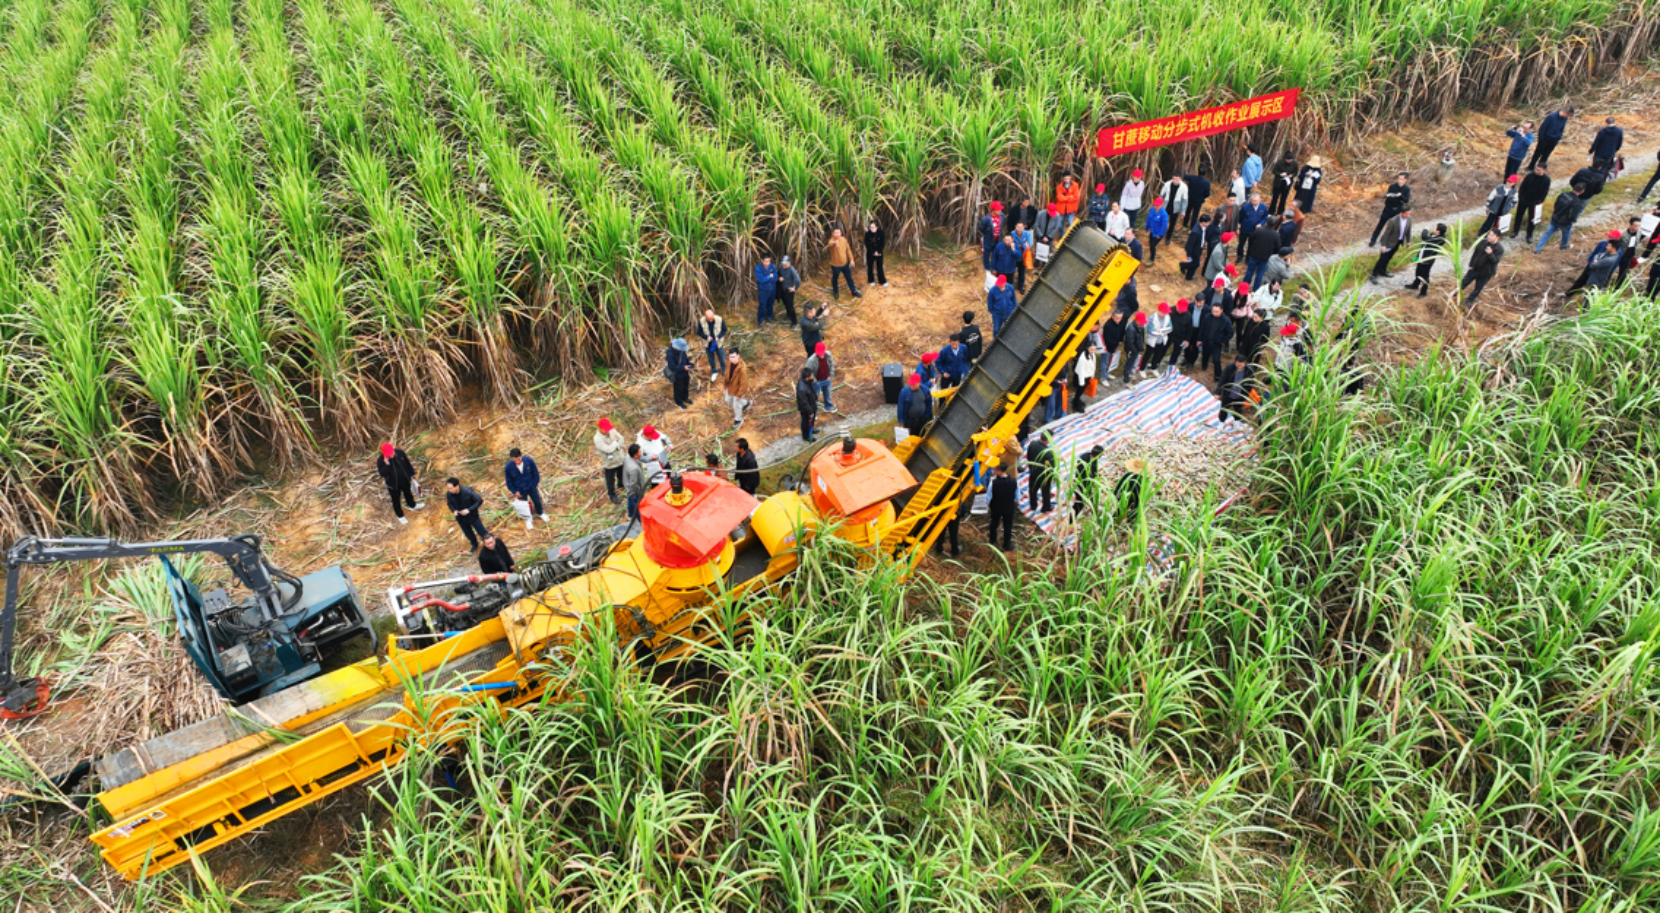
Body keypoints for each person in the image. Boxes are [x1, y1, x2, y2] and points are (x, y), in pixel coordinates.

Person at [376, 442, 424, 524]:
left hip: (405, 480)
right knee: (396, 500)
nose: (390, 455)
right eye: (388, 454)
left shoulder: (400, 453)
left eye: (391, 453)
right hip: (393, 485)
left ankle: (412, 505)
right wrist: (387, 464)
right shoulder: (381, 460)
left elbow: (407, 464)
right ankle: (400, 515)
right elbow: (382, 474)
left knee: (408, 493)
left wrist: (412, 474)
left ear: (393, 449)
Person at [504, 448, 549, 529]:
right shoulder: (509, 467)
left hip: (531, 486)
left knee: (537, 501)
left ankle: (540, 513)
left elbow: (535, 473)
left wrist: (534, 484)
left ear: (521, 455)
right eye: (515, 459)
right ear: (511, 458)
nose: (517, 461)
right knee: (524, 506)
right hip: (520, 490)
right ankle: (528, 519)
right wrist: (514, 491)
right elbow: (509, 481)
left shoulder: (528, 461)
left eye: (518, 459)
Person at [1567, 230, 1624, 296]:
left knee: (1595, 288)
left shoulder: (1618, 252)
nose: (1608, 239)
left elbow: (1614, 265)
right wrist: (1590, 262)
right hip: (1592, 265)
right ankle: (1569, 293)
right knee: (1581, 280)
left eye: (1611, 238)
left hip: (1601, 272)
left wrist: (1608, 273)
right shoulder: (1602, 243)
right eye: (1609, 237)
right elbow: (1594, 253)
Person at [1534, 184, 1586, 252]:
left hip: (1555, 218)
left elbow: (1556, 204)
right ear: (1582, 191)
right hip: (1565, 222)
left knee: (1547, 233)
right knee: (1566, 233)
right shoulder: (1577, 202)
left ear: (1574, 187)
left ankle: (1537, 249)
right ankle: (1563, 246)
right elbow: (1573, 215)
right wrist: (1572, 220)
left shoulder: (1564, 194)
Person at [445, 477, 489, 552]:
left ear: (457, 486)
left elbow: (479, 501)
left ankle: (488, 543)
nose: (450, 490)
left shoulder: (467, 492)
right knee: (468, 533)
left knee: (481, 531)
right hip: (460, 518)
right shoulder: (449, 494)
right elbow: (449, 504)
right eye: (448, 489)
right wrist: (454, 510)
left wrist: (469, 509)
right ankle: (474, 544)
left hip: (472, 516)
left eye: (451, 488)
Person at [1460, 230, 1505, 304]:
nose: (1489, 237)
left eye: (1492, 235)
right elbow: (1475, 254)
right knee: (1464, 282)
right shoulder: (1483, 242)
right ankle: (1455, 293)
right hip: (1475, 269)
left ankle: (1470, 300)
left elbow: (1496, 261)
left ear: (1497, 237)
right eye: (1489, 235)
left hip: (1486, 273)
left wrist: (1490, 254)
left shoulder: (1500, 249)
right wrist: (1471, 265)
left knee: (1478, 288)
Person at [1406, 224, 1449, 298]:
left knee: (1425, 276)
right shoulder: (1435, 235)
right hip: (1421, 257)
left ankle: (1423, 293)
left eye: (1435, 228)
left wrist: (1425, 230)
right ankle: (1415, 285)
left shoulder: (1440, 239)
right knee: (1418, 272)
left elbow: (1425, 237)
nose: (1433, 229)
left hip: (1427, 260)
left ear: (1438, 231)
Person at [1369, 173, 1412, 247]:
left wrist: (1400, 196)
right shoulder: (1392, 186)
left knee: (1391, 226)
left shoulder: (1407, 189)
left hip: (1397, 210)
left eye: (1401, 179)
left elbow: (1406, 200)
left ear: (1406, 180)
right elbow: (1389, 197)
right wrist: (1397, 197)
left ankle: (1383, 239)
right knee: (1380, 224)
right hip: (1388, 208)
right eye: (1399, 178)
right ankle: (1373, 240)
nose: (1399, 180)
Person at [1371, 207, 1413, 282]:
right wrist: (1384, 245)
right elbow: (1387, 233)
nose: (1407, 215)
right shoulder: (1393, 221)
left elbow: (1408, 230)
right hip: (1389, 242)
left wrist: (1408, 241)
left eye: (1409, 214)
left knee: (1389, 257)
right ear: (1401, 213)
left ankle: (1383, 270)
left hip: (1398, 242)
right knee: (1383, 259)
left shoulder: (1409, 219)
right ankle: (1374, 274)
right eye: (1406, 214)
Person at [1513, 164, 1552, 244]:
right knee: (1519, 215)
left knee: (1532, 219)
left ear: (1544, 170)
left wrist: (1539, 202)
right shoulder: (1530, 176)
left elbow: (1545, 192)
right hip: (1524, 199)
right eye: (1536, 169)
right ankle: (1515, 231)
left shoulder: (1546, 180)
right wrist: (1521, 197)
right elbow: (1522, 186)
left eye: (1539, 170)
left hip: (1534, 202)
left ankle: (1529, 235)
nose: (1536, 171)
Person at [985, 464, 1017, 552]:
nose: (994, 472)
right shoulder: (1014, 482)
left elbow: (988, 496)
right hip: (1009, 507)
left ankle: (992, 540)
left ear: (999, 471)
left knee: (994, 523)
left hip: (996, 507)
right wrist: (1015, 504)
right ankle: (1006, 544)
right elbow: (1017, 496)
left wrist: (988, 504)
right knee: (1008, 526)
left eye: (995, 470)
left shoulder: (993, 483)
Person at [593, 418, 626, 504]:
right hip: (610, 463)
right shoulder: (597, 439)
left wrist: (614, 445)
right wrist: (615, 442)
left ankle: (621, 484)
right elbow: (608, 450)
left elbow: (621, 438)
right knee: (610, 480)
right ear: (600, 428)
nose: (608, 431)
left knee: (621, 474)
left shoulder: (612, 430)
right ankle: (612, 495)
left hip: (619, 458)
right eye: (605, 429)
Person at [1217, 354, 1255, 425]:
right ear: (1235, 362)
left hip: (1240, 394)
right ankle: (1221, 422)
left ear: (1245, 363)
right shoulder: (1229, 367)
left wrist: (1246, 393)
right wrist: (1217, 392)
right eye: (1237, 365)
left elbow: (1251, 382)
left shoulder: (1249, 370)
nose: (1239, 367)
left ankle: (1236, 422)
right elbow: (1222, 380)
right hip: (1228, 393)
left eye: (1241, 365)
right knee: (1224, 409)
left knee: (1238, 409)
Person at [1199, 302, 1232, 381]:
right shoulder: (1207, 317)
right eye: (1213, 311)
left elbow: (1230, 332)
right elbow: (1202, 328)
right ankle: (1204, 366)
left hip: (1217, 344)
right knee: (1205, 355)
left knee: (1216, 360)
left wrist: (1224, 341)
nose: (1214, 313)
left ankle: (1218, 376)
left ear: (1221, 310)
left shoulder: (1226, 320)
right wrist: (1199, 339)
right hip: (1206, 341)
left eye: (1216, 311)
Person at [1243, 216, 1279, 288]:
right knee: (1260, 275)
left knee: (1249, 271)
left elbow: (1251, 239)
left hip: (1254, 254)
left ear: (1267, 222)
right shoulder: (1276, 235)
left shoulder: (1258, 230)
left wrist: (1252, 249)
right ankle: (1256, 289)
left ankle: (1244, 286)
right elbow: (1277, 247)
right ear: (1275, 225)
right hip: (1265, 257)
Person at [1025, 433, 1055, 513]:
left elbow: (1028, 457)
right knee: (1045, 491)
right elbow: (1051, 467)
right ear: (1048, 440)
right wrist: (1053, 476)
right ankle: (1046, 507)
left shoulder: (1033, 444)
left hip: (1033, 471)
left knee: (1032, 489)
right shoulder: (1048, 453)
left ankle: (1033, 505)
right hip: (1044, 475)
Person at [897, 371, 931, 438]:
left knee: (921, 436)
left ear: (919, 383)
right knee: (910, 437)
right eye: (910, 384)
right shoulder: (904, 392)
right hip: (910, 421)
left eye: (913, 384)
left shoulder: (925, 390)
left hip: (922, 420)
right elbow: (901, 406)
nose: (911, 386)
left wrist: (927, 415)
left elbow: (929, 403)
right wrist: (901, 420)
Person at [1141, 302, 1172, 377]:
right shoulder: (1152, 318)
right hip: (1152, 341)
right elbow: (1151, 332)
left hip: (1161, 341)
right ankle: (1142, 369)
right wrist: (1163, 332)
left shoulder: (1167, 317)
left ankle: (1153, 368)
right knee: (1147, 355)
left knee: (1157, 355)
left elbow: (1170, 328)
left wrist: (1160, 330)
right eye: (1164, 312)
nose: (1165, 314)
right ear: (1159, 311)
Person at [1072, 446, 1103, 518]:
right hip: (1083, 486)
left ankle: (1094, 510)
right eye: (1101, 455)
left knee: (1092, 497)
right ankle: (1071, 519)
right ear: (1098, 456)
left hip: (1081, 483)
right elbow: (1088, 476)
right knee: (1079, 503)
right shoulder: (1088, 463)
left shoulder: (1085, 456)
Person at [827, 228, 859, 298]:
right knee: (835, 278)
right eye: (836, 233)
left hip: (845, 264)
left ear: (841, 233)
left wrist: (851, 260)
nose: (837, 234)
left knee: (849, 278)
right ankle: (835, 291)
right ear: (832, 233)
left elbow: (848, 250)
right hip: (835, 266)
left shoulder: (843, 240)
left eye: (839, 233)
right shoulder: (831, 240)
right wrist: (835, 243)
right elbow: (830, 244)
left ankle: (853, 291)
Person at [804, 341, 836, 412]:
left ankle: (828, 407)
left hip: (826, 379)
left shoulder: (828, 355)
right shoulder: (811, 360)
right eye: (819, 353)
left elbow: (831, 365)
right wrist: (815, 381)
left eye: (822, 352)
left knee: (827, 395)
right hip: (817, 381)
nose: (821, 354)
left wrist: (830, 375)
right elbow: (808, 372)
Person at [696, 308, 727, 381]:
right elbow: (699, 332)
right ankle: (714, 371)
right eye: (709, 319)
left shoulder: (719, 319)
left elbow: (724, 330)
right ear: (705, 317)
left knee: (722, 358)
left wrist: (718, 337)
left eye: (711, 319)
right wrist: (706, 337)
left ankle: (725, 372)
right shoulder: (701, 321)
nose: (710, 320)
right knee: (711, 359)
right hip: (708, 344)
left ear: (714, 315)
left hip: (718, 343)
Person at [724, 350, 752, 429]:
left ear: (738, 356)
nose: (732, 359)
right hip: (731, 387)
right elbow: (727, 374)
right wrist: (725, 384)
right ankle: (746, 403)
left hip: (738, 390)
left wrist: (739, 395)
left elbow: (744, 384)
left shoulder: (742, 369)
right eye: (730, 357)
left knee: (736, 406)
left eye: (733, 357)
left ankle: (738, 420)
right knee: (727, 399)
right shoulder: (729, 363)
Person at [1237, 192, 1268, 260]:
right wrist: (1241, 224)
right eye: (1253, 201)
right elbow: (1240, 217)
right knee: (1241, 244)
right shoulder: (1245, 207)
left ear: (1260, 200)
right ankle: (1239, 256)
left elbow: (1265, 217)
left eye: (1256, 201)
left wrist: (1261, 223)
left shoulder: (1263, 207)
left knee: (1251, 245)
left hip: (1255, 231)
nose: (1254, 202)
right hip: (1245, 229)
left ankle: (1248, 258)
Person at [664, 337, 693, 409]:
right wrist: (683, 367)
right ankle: (679, 402)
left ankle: (685, 398)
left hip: (685, 373)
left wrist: (689, 361)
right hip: (677, 375)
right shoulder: (670, 354)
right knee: (678, 389)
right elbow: (672, 366)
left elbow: (685, 357)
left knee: (685, 386)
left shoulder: (681, 350)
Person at [622, 444, 647, 522]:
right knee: (638, 505)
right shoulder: (634, 468)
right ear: (635, 455)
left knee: (630, 500)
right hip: (635, 490)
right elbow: (634, 483)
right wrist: (634, 493)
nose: (641, 452)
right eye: (639, 452)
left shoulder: (628, 457)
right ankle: (641, 521)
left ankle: (630, 515)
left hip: (628, 485)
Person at [1121, 311, 1147, 383]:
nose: (1142, 323)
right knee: (1129, 364)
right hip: (1131, 350)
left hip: (1136, 348)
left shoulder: (1140, 326)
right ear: (1136, 320)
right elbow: (1129, 342)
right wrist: (1134, 351)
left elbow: (1141, 337)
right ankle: (1126, 379)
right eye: (1141, 322)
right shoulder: (1131, 329)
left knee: (1132, 362)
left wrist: (1141, 345)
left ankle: (1129, 374)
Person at [795, 367, 818, 443]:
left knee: (812, 420)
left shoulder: (806, 381)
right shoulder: (802, 389)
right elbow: (804, 402)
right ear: (807, 377)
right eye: (811, 374)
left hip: (811, 405)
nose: (812, 375)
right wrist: (810, 412)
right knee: (806, 422)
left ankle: (811, 430)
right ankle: (806, 436)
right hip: (806, 409)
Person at [1181, 215, 1208, 281]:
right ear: (1203, 222)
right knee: (1196, 264)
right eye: (1208, 222)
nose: (1209, 224)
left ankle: (1189, 277)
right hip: (1194, 250)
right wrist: (1188, 254)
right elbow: (1190, 243)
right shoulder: (1196, 232)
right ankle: (1182, 265)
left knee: (1194, 263)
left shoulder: (1202, 227)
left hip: (1199, 248)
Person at [777, 255, 801, 326]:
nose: (783, 265)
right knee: (786, 304)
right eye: (782, 263)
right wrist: (779, 277)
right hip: (782, 290)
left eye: (785, 264)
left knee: (790, 307)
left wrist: (794, 288)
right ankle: (789, 316)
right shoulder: (780, 267)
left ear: (789, 262)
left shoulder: (791, 270)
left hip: (789, 291)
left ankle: (795, 322)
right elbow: (777, 273)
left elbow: (798, 280)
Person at [1144, 197, 1169, 263]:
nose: (1156, 207)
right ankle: (1152, 254)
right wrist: (1147, 227)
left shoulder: (1164, 214)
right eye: (1155, 205)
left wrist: (1160, 234)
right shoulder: (1152, 209)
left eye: (1158, 205)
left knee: (1152, 245)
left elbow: (1164, 226)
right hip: (1152, 231)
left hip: (1158, 233)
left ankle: (1152, 258)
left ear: (1161, 205)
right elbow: (1149, 219)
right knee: (1150, 243)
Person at [753, 255, 777, 324]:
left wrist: (767, 278)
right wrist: (769, 276)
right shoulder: (758, 268)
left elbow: (775, 278)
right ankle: (760, 320)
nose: (768, 263)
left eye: (769, 261)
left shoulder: (772, 266)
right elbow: (761, 280)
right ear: (762, 260)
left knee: (770, 304)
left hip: (772, 289)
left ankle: (769, 317)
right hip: (763, 290)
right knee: (762, 306)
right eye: (766, 261)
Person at [864, 219, 887, 286]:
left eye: (873, 227)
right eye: (870, 227)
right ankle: (871, 280)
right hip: (870, 253)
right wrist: (873, 252)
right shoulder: (867, 234)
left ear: (877, 227)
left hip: (879, 253)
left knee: (880, 267)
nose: (872, 229)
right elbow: (867, 244)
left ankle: (882, 281)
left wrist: (879, 251)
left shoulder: (881, 233)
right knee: (870, 267)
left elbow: (882, 243)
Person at [1011, 222, 1033, 291]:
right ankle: (1011, 286)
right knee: (1012, 271)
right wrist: (1023, 245)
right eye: (1018, 227)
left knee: (1022, 272)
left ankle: (1020, 287)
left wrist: (1020, 246)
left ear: (1023, 227)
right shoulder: (1012, 233)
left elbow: (1029, 245)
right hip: (1014, 255)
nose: (1019, 229)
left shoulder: (1027, 234)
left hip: (1024, 256)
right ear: (1015, 227)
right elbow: (1011, 244)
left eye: (1021, 227)